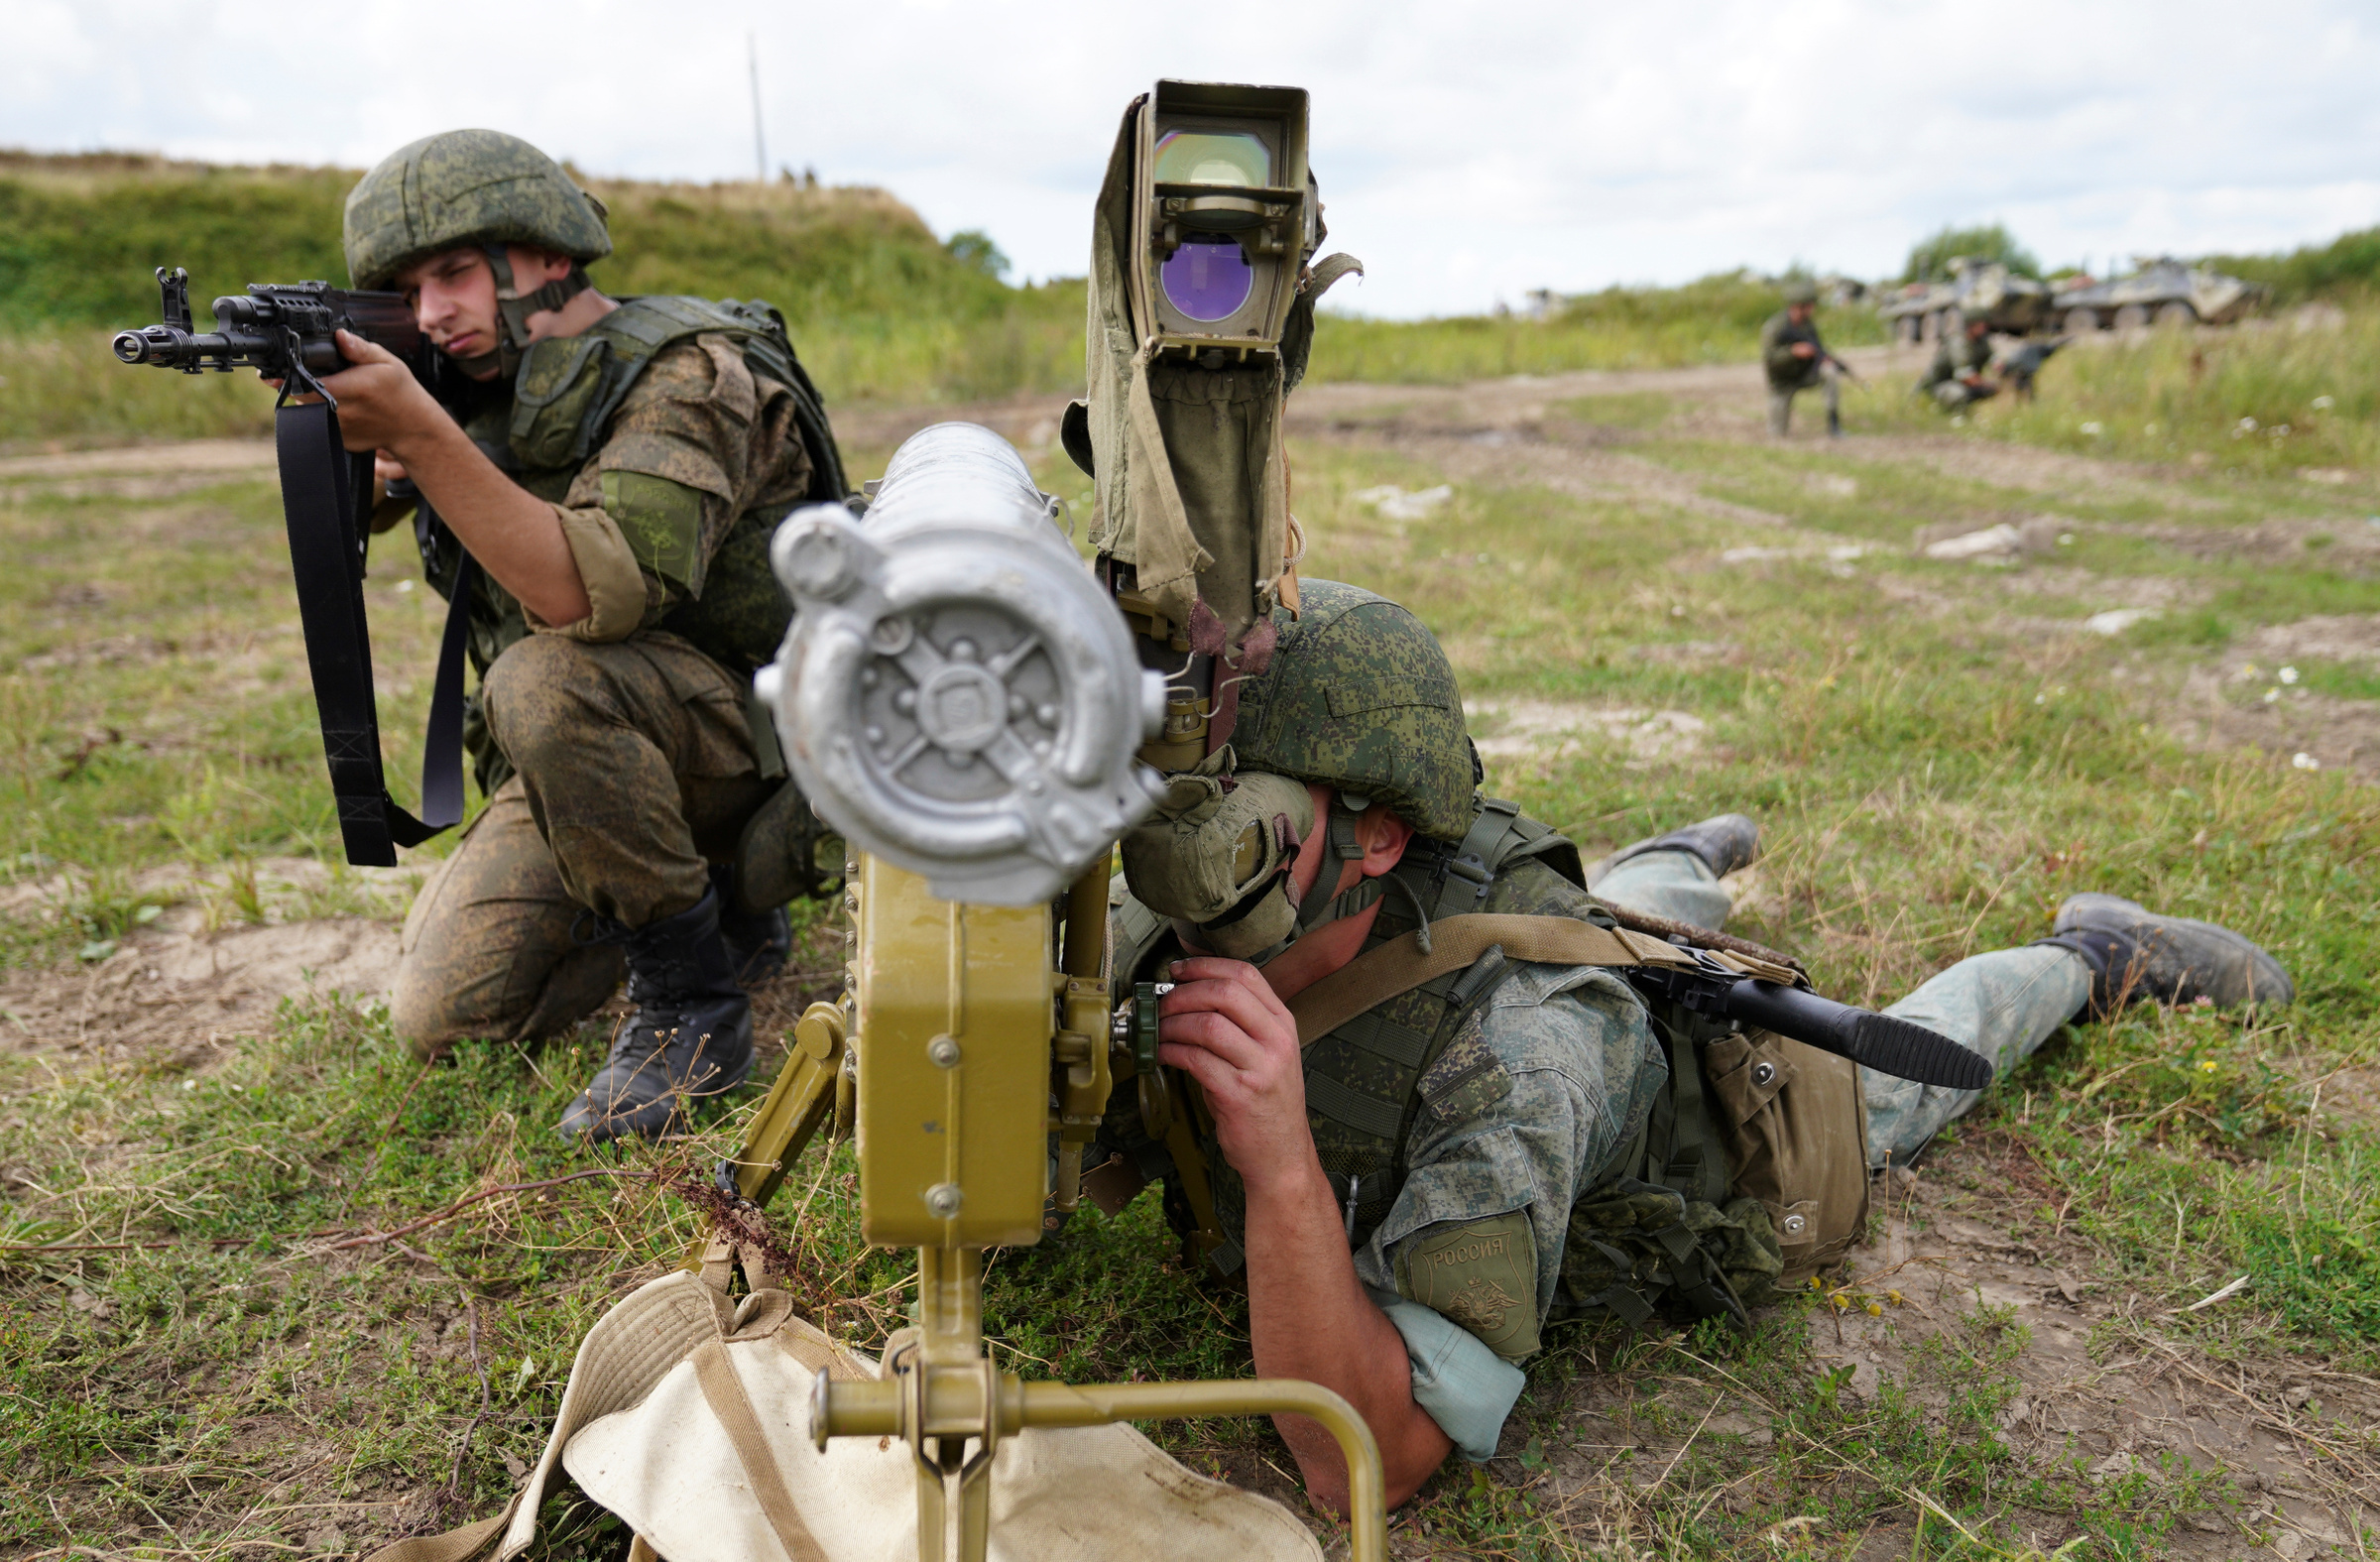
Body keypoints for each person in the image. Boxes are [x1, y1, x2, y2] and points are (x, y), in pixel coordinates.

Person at [1096, 580, 2292, 1513]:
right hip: (1547, 935)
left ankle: (2090, 957)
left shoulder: (1521, 1060)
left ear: (1374, 837)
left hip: (1729, 1122)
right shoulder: (1184, 888)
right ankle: (1681, 861)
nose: (1187, 855)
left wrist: (1286, 1172)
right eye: (1185, 795)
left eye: (1242, 821)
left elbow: (1368, 1464)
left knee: (1892, 1077)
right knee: (1623, 904)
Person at [320, 129, 845, 1142]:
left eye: (456, 274)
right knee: (449, 1018)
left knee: (542, 677)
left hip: (758, 742)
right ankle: (713, 906)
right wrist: (370, 450)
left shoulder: (689, 373)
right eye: (409, 291)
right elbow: (379, 510)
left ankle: (692, 1007)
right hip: (603, 757)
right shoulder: (490, 388)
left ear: (548, 252)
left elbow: (586, 594)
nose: (433, 313)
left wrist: (423, 439)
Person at [1759, 280, 1845, 437]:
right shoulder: (1775, 327)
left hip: (1803, 374)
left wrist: (1824, 359)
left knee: (1829, 371)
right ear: (1799, 306)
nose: (1812, 309)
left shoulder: (1807, 326)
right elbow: (1770, 358)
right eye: (1810, 305)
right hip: (1782, 381)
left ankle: (1834, 424)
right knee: (1777, 435)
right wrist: (1793, 352)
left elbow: (1818, 347)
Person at [1921, 315, 2000, 412]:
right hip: (1940, 385)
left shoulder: (1981, 340)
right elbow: (1965, 376)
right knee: (1958, 394)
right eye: (1981, 324)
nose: (1985, 327)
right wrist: (1986, 385)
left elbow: (1993, 359)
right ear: (1971, 325)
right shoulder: (1958, 343)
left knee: (1993, 391)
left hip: (1962, 384)